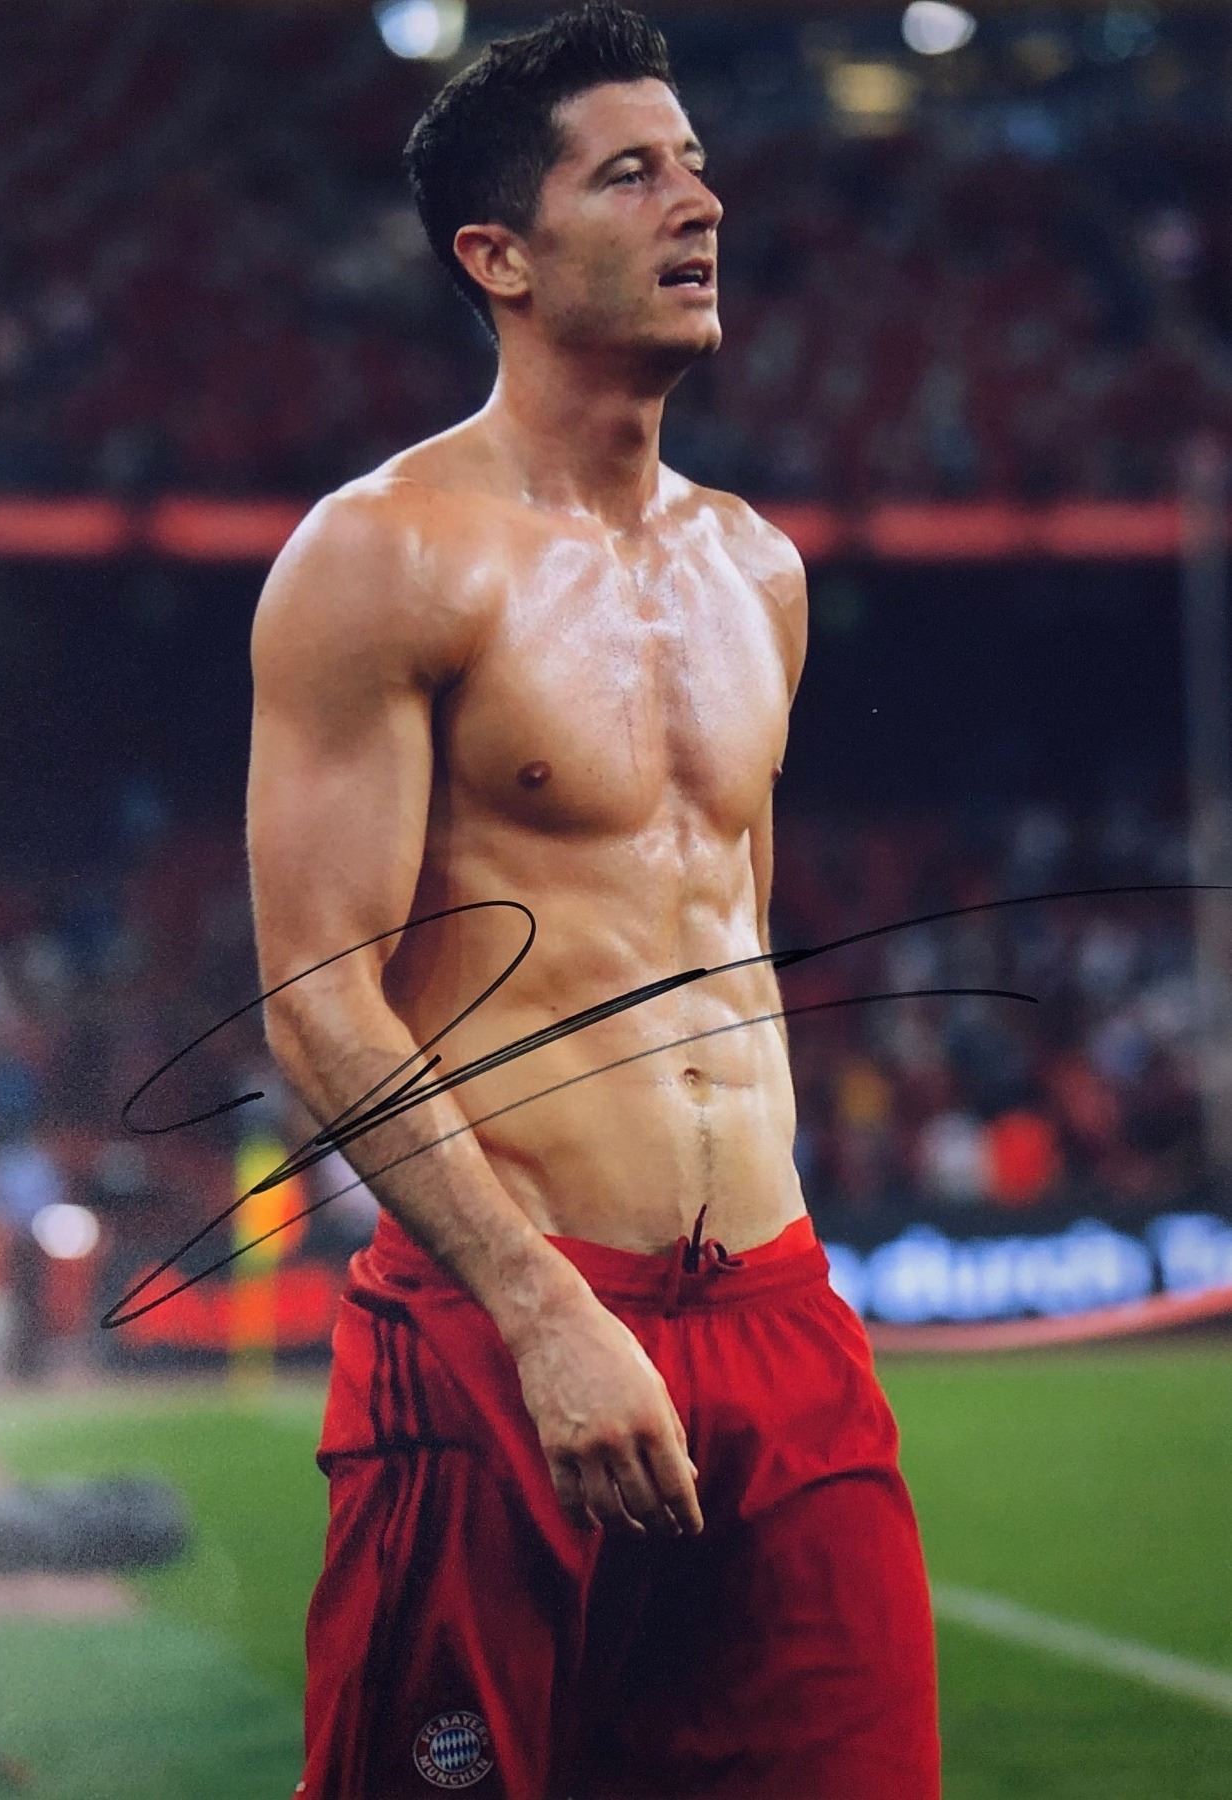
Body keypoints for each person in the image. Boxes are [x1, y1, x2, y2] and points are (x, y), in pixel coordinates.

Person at [247, 5, 940, 1795]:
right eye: (629, 175)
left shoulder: (757, 567)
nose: (696, 202)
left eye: (693, 164)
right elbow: (317, 995)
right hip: (502, 1327)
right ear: (500, 257)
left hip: (778, 1320)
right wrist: (543, 1310)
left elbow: (733, 949)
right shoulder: (381, 554)